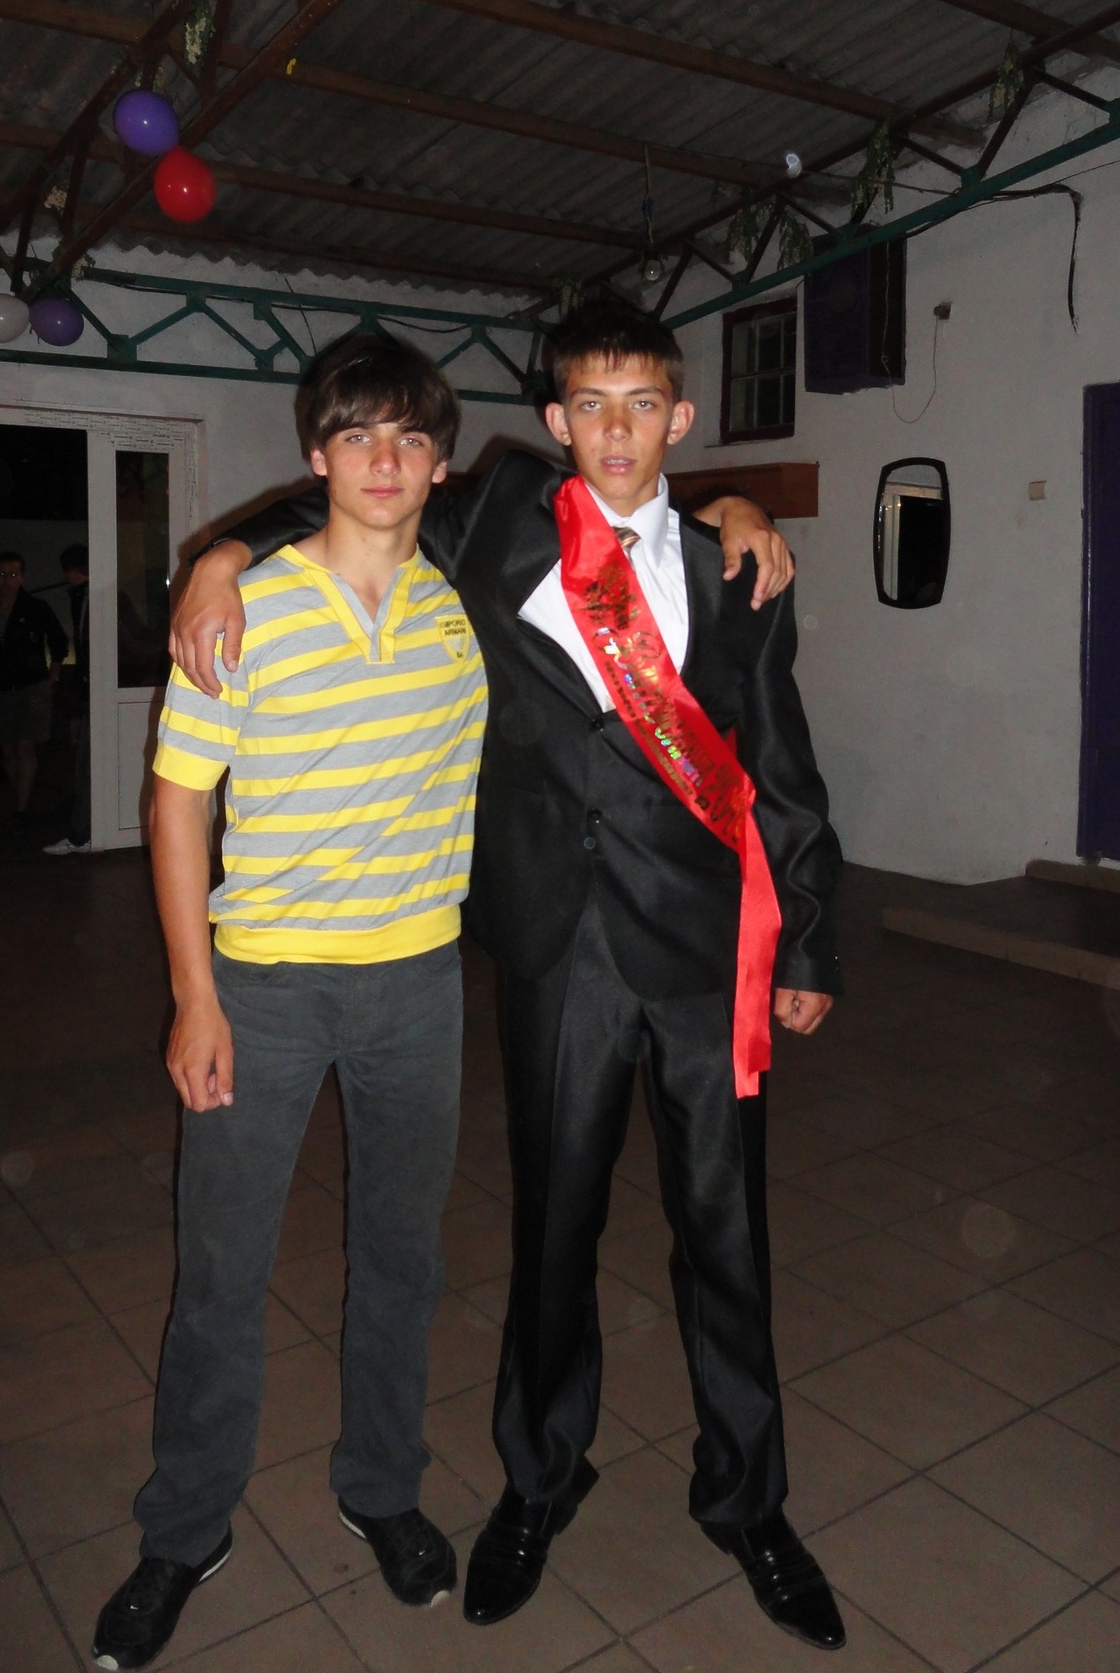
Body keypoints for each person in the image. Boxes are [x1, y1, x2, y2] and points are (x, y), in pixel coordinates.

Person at [171, 303, 846, 1650]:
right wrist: (217, 555)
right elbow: (354, 488)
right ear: (554, 421)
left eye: (641, 404)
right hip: (558, 948)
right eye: (590, 404)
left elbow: (781, 760)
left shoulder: (735, 568)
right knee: (553, 1233)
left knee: (728, 1236)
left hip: (706, 951)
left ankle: (750, 1500)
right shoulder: (501, 522)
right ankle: (540, 1481)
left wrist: (810, 939)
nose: (615, 430)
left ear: (680, 417)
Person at [92, 335, 487, 1672]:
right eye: (358, 434)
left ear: (440, 463)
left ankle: (382, 1488)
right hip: (261, 987)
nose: (385, 459)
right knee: (222, 1271)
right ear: (316, 455)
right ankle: (184, 1528)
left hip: (420, 984)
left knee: (403, 1261)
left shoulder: (463, 607)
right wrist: (192, 999)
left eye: (410, 437)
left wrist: (737, 508)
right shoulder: (244, 607)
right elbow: (176, 806)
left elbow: (618, 508)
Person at [0, 551, 67, 822]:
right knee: (8, 749)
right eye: (2, 574)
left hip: (31, 686)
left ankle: (21, 809)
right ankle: (19, 797)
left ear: (22, 578)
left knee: (25, 747)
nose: (7, 580)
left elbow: (58, 640)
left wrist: (53, 676)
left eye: (13, 574)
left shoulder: (36, 607)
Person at [44, 542, 92, 855]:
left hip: (95, 693)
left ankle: (82, 834)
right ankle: (84, 831)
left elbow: (87, 653)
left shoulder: (89, 598)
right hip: (92, 693)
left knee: (87, 766)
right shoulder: (84, 597)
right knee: (85, 765)